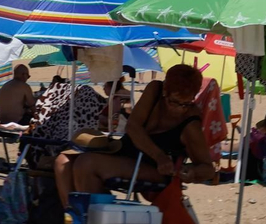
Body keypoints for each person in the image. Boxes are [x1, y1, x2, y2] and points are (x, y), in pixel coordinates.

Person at [54, 64, 217, 207]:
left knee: (86, 163)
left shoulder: (191, 123)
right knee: (63, 162)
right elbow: (132, 127)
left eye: (185, 104)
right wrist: (159, 154)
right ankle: (74, 221)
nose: (179, 108)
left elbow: (207, 168)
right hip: (127, 152)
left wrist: (191, 173)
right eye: (174, 102)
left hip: (154, 169)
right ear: (165, 90)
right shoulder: (155, 90)